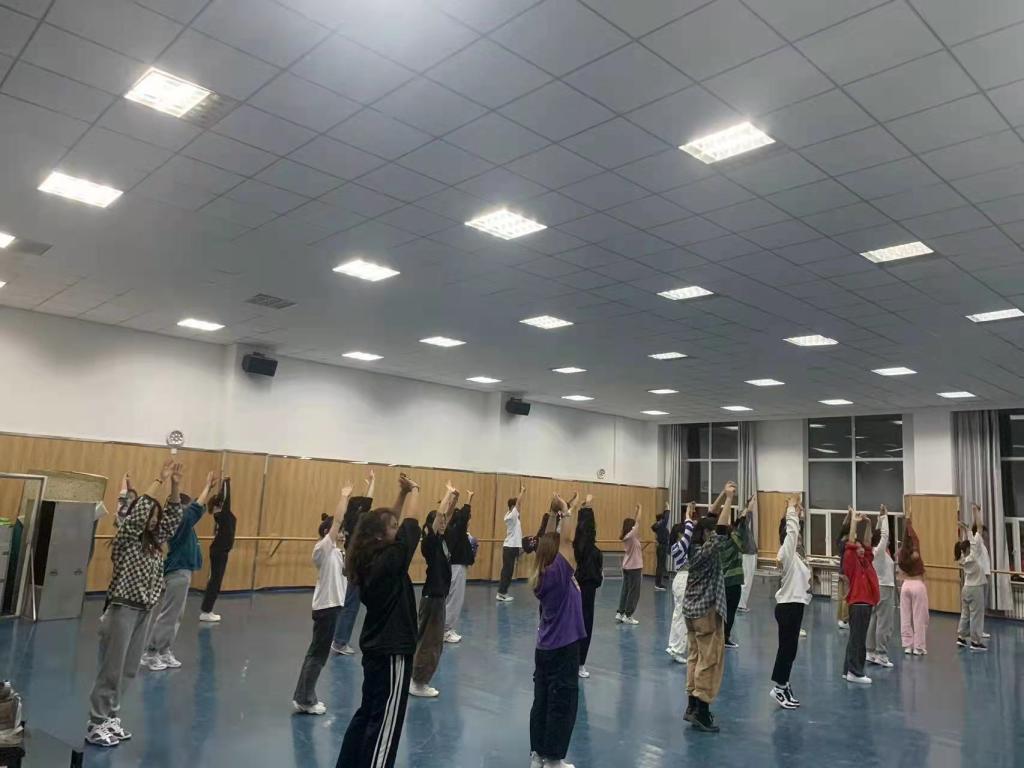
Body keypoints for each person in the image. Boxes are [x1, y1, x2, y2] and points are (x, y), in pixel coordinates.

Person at [86, 460, 184, 747]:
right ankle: (96, 722)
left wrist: (175, 486)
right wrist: (159, 480)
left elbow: (173, 519)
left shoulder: (155, 544)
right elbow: (140, 511)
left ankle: (111, 716)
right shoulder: (126, 538)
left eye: (156, 516)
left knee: (129, 668)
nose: (152, 519)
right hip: (123, 608)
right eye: (149, 515)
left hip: (145, 609)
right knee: (112, 668)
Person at [337, 473, 421, 768]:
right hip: (392, 652)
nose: (396, 529)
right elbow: (410, 525)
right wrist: (415, 490)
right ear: (380, 536)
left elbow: (393, 523)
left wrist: (400, 495)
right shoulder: (390, 560)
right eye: (392, 528)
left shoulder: (369, 556)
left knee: (368, 713)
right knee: (386, 723)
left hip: (375, 650)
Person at [529, 494, 586, 768]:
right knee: (562, 702)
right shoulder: (559, 574)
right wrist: (566, 509)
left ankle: (538, 754)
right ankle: (553, 759)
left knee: (541, 700)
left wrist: (553, 514)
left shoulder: (543, 572)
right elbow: (566, 540)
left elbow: (551, 541)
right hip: (563, 648)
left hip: (545, 648)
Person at [142, 470, 220, 671]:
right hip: (177, 572)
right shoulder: (181, 521)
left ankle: (164, 650)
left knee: (175, 615)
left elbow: (195, 508)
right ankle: (151, 652)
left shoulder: (184, 525)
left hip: (182, 572)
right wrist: (207, 487)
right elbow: (196, 507)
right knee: (169, 615)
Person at [292, 485, 351, 714]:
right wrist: (344, 497)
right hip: (326, 608)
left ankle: (303, 696)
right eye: (339, 531)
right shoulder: (323, 548)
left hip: (333, 608)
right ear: (328, 532)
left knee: (316, 654)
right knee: (317, 655)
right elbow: (337, 522)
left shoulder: (338, 553)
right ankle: (306, 699)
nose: (342, 534)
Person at [683, 482, 734, 733]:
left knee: (694, 657)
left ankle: (691, 705)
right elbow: (721, 529)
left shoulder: (693, 547)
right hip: (706, 613)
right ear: (707, 534)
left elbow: (709, 518)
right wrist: (730, 499)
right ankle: (702, 711)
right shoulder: (709, 551)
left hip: (690, 612)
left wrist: (722, 494)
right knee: (709, 659)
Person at [410, 482, 458, 698]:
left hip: (438, 597)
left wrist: (454, 498)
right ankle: (418, 682)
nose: (444, 523)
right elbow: (440, 515)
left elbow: (446, 515)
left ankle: (417, 679)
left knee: (431, 641)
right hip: (433, 598)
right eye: (440, 521)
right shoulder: (430, 542)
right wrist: (446, 493)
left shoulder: (441, 541)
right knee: (430, 642)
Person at [770, 496, 810, 709]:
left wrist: (797, 513)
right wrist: (791, 508)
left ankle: (784, 685)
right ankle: (778, 688)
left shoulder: (796, 557)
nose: (799, 538)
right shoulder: (785, 552)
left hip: (796, 605)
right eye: (796, 536)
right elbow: (792, 531)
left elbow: (796, 529)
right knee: (786, 650)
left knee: (791, 650)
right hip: (787, 606)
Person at [331, 470, 375, 655]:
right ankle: (340, 641)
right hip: (357, 569)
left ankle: (340, 640)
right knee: (351, 605)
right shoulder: (359, 523)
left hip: (354, 567)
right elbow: (368, 502)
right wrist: (373, 481)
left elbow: (366, 502)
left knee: (352, 604)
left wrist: (369, 484)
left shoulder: (351, 521)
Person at [842, 510, 879, 685]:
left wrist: (869, 524)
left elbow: (868, 543)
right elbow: (850, 543)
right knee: (858, 640)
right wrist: (854, 523)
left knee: (855, 638)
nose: (862, 549)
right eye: (858, 548)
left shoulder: (866, 561)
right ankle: (855, 671)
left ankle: (847, 670)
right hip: (859, 604)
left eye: (862, 547)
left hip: (866, 604)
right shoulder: (851, 562)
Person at [573, 494, 602, 679]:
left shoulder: (576, 545)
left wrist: (584, 507)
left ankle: (573, 660)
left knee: (575, 621)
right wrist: (588, 507)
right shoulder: (593, 551)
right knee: (586, 623)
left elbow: (582, 527)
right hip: (588, 587)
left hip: (576, 584)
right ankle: (580, 663)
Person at [666, 503, 696, 664]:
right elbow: (690, 530)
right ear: (679, 534)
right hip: (683, 580)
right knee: (682, 616)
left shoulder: (676, 547)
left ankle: (674, 645)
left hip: (680, 580)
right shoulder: (679, 546)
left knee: (678, 615)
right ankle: (678, 649)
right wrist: (688, 515)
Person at [200, 476, 234, 623]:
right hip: (219, 552)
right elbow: (226, 498)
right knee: (215, 581)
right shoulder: (222, 514)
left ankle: (207, 609)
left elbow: (224, 498)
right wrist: (226, 482)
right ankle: (206, 611)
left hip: (220, 551)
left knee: (215, 581)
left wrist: (223, 487)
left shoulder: (221, 515)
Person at [866, 505, 896, 669]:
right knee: (884, 622)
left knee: (874, 620)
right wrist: (885, 517)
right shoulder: (878, 552)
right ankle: (881, 654)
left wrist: (879, 519)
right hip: (884, 588)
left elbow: (879, 535)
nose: (889, 542)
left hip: (876, 588)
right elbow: (883, 536)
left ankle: (870, 651)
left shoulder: (873, 552)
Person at [444, 490, 474, 643]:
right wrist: (469, 498)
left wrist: (455, 498)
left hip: (454, 567)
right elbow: (463, 517)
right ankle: (446, 630)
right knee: (454, 599)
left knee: (452, 598)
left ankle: (447, 628)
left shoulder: (452, 530)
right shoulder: (457, 531)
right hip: (456, 568)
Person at [898, 509, 928, 655]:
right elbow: (915, 538)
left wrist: (907, 524)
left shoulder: (901, 553)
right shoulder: (916, 550)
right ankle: (919, 646)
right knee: (919, 617)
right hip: (917, 584)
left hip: (905, 585)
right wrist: (909, 522)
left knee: (905, 616)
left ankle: (907, 645)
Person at [956, 518, 988, 652]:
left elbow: (967, 545)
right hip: (975, 588)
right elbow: (973, 545)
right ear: (968, 549)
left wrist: (964, 530)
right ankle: (975, 641)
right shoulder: (973, 558)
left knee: (965, 613)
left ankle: (961, 637)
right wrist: (968, 530)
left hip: (966, 588)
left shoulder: (962, 559)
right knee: (976, 615)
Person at [719, 504, 745, 650]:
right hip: (733, 582)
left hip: (722, 582)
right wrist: (745, 515)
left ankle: (719, 635)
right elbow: (740, 533)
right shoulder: (734, 544)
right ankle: (725, 637)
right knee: (731, 611)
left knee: (722, 611)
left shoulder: (720, 544)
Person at [498, 484, 526, 602]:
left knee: (507, 571)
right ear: (513, 507)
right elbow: (518, 502)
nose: (519, 508)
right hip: (510, 547)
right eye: (516, 506)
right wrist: (522, 491)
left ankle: (502, 592)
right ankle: (502, 593)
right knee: (507, 572)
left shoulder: (509, 515)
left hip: (512, 547)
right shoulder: (512, 516)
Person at [615, 504, 643, 625]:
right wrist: (640, 509)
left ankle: (620, 613)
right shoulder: (631, 536)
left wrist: (635, 512)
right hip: (634, 567)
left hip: (627, 567)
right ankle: (628, 615)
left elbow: (635, 522)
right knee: (634, 592)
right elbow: (637, 522)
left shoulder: (628, 536)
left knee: (625, 590)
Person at [970, 504, 993, 640]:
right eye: (983, 532)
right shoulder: (976, 543)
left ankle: (977, 630)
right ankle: (977, 632)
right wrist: (975, 511)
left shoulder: (979, 544)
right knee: (979, 607)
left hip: (983, 577)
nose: (985, 534)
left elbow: (976, 527)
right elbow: (977, 526)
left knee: (980, 606)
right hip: (981, 577)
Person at [737, 494, 757, 613]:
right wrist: (752, 503)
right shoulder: (742, 526)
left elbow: (747, 512)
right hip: (747, 554)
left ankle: (741, 604)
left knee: (747, 580)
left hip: (750, 554)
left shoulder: (743, 527)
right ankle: (741, 605)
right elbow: (747, 514)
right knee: (746, 581)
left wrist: (749, 502)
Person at [835, 509, 852, 630]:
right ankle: (845, 619)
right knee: (846, 596)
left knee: (841, 597)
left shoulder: (840, 542)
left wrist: (848, 515)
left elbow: (843, 526)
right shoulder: (848, 544)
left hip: (841, 572)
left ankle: (840, 619)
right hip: (846, 573)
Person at [652, 504, 670, 592]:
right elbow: (666, 518)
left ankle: (658, 583)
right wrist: (667, 508)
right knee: (660, 566)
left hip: (661, 547)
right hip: (662, 547)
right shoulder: (661, 526)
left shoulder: (659, 526)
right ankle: (658, 584)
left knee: (660, 565)